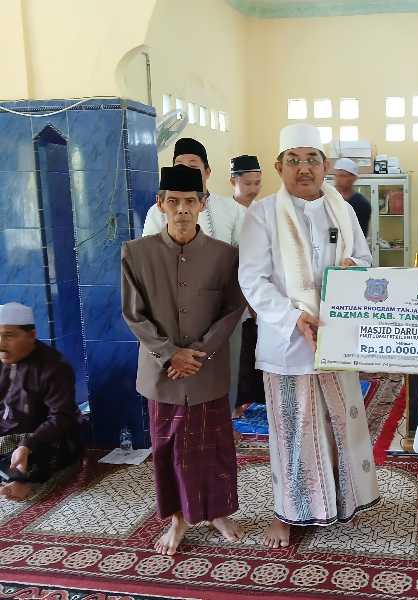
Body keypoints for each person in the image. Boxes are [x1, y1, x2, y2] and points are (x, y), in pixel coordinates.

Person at [238, 123, 379, 549]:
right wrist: (294, 317)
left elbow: (365, 259)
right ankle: (288, 513)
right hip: (288, 343)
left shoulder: (343, 209)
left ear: (325, 166)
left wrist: (356, 268)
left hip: (338, 338)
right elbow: (253, 280)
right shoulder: (262, 214)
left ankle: (341, 501)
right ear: (280, 166)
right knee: (292, 431)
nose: (304, 168)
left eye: (312, 159)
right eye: (294, 160)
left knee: (342, 423)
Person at [122, 164, 245, 555]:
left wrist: (200, 352)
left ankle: (218, 512)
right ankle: (177, 520)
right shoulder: (136, 254)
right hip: (163, 373)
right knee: (168, 448)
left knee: (213, 445)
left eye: (189, 201)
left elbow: (231, 309)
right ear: (160, 204)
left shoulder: (225, 256)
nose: (181, 210)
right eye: (172, 201)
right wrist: (170, 353)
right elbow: (133, 313)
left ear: (202, 204)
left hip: (206, 370)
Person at [0, 303, 82, 501]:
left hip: (43, 437)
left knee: (34, 453)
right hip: (6, 436)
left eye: (9, 336)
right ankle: (16, 476)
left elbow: (61, 418)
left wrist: (27, 445)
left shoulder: (54, 367)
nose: (1, 343)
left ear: (31, 335)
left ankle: (20, 479)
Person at [141, 138, 245, 246]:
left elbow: (244, 251)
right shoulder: (157, 211)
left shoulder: (231, 208)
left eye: (193, 167)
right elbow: (148, 250)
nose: (185, 171)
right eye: (179, 166)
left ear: (207, 172)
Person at [229, 155, 266, 413]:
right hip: (234, 291)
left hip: (259, 290)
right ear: (233, 180)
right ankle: (235, 403)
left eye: (257, 183)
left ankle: (253, 398)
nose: (254, 189)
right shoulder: (226, 212)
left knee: (254, 348)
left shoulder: (262, 211)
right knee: (238, 354)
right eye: (248, 183)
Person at [333, 157, 371, 237]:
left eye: (343, 176)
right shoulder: (329, 200)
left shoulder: (361, 204)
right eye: (336, 175)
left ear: (353, 178)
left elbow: (359, 237)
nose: (338, 179)